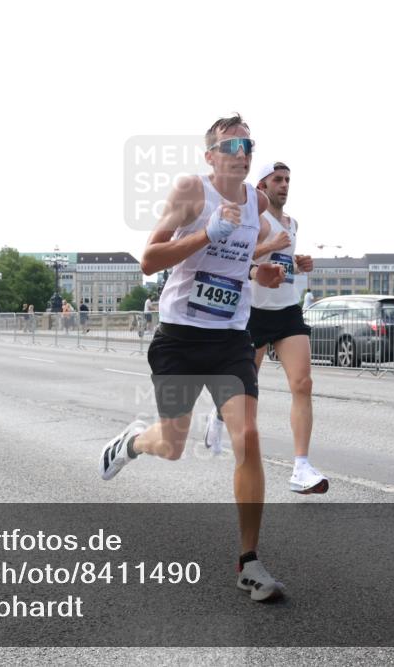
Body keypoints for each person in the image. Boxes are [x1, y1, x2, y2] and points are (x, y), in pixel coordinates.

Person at [99, 114, 288, 602]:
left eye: (249, 144)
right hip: (180, 337)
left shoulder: (257, 202)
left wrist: (261, 272)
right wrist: (207, 232)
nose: (242, 151)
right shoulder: (192, 192)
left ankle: (249, 561)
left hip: (229, 339)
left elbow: (240, 260)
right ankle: (132, 443)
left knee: (247, 435)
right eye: (232, 144)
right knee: (172, 444)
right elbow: (149, 259)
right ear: (211, 155)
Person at [203, 162, 328, 494]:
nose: (285, 185)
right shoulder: (254, 220)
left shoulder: (293, 222)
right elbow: (238, 260)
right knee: (246, 389)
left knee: (303, 383)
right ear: (262, 185)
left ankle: (301, 467)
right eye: (278, 179)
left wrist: (300, 263)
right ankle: (217, 413)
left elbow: (283, 265)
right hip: (254, 313)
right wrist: (270, 245)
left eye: (288, 179)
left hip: (287, 310)